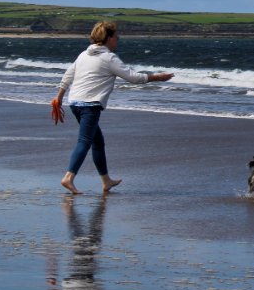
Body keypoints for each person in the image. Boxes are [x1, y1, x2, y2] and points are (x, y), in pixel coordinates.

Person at [53, 21, 173, 194]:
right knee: (85, 141)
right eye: (116, 36)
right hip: (90, 105)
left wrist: (58, 98)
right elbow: (133, 77)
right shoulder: (109, 58)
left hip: (75, 103)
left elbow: (67, 76)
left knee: (97, 142)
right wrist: (158, 77)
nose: (118, 38)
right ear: (108, 38)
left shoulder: (83, 55)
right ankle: (68, 178)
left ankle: (106, 180)